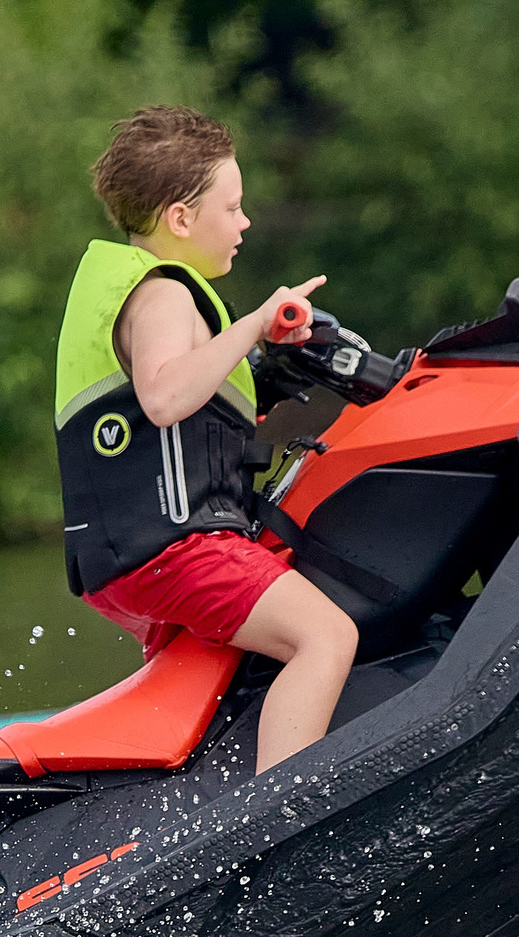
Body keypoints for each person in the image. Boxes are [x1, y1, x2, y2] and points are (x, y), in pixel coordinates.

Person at [56, 104, 357, 775]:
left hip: (126, 558)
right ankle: (278, 818)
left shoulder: (137, 292)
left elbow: (184, 403)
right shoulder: (163, 296)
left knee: (237, 672)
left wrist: (260, 364)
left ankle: (207, 793)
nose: (245, 223)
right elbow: (164, 398)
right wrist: (252, 325)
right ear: (181, 219)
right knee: (325, 635)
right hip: (176, 549)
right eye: (234, 206)